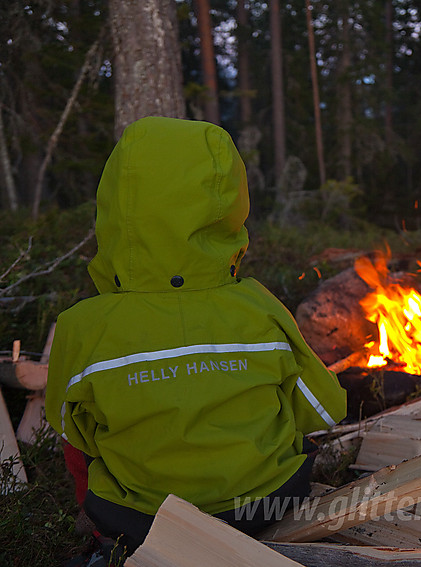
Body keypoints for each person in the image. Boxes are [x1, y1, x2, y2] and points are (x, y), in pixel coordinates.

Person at [45, 116, 346, 565]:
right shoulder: (259, 307)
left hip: (141, 518)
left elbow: (71, 427)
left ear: (114, 207)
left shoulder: (82, 326)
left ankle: (106, 545)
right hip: (264, 508)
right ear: (230, 205)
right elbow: (324, 409)